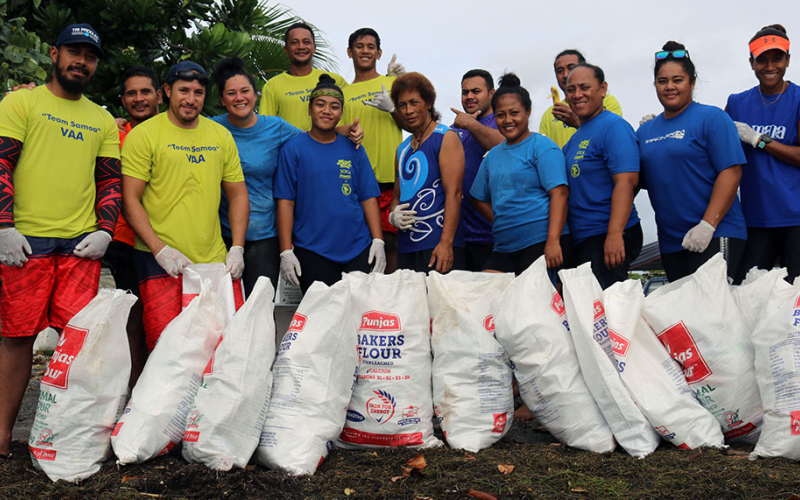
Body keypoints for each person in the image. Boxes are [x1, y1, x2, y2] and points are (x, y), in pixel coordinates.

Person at [0, 23, 121, 460]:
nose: (81, 61)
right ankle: (1, 438)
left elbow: (109, 179)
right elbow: (0, 163)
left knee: (78, 342)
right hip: (24, 243)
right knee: (17, 338)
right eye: (73, 52)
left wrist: (105, 229)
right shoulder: (21, 101)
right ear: (54, 54)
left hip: (78, 248)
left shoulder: (102, 118)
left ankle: (64, 437)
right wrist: (2, 227)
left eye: (89, 56)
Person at [121, 61, 248, 351]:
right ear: (166, 91)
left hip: (213, 263)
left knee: (220, 347)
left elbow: (238, 194)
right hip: (159, 262)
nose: (191, 99)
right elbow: (130, 200)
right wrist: (159, 249)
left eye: (198, 93)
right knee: (165, 349)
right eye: (184, 91)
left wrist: (237, 248)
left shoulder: (220, 135)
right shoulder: (144, 135)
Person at [638, 42, 747, 282]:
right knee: (684, 315)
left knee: (712, 314)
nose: (670, 87)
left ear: (692, 82)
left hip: (716, 232)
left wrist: (707, 225)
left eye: (677, 80)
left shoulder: (713, 117)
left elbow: (732, 171)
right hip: (671, 241)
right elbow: (646, 180)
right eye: (662, 81)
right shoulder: (645, 132)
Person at [275, 74, 385, 293]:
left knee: (358, 317)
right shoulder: (293, 149)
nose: (327, 111)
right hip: (313, 251)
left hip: (358, 248)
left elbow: (367, 198)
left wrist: (378, 241)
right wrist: (286, 251)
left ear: (341, 113)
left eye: (334, 106)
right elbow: (285, 202)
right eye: (320, 104)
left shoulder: (354, 148)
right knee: (322, 318)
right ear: (309, 109)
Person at [470, 73, 570, 275]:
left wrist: (553, 241)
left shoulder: (541, 147)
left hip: (542, 242)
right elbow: (477, 197)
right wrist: (500, 218)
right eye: (501, 115)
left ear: (528, 112)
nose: (508, 120)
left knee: (536, 304)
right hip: (504, 247)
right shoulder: (492, 156)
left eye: (514, 113)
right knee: (484, 293)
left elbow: (560, 194)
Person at [727, 24, 800, 283]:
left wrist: (758, 140)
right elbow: (715, 147)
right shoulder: (736, 102)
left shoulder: (798, 98)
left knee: (795, 298)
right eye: (762, 60)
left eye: (777, 58)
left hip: (795, 218)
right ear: (751, 62)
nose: (770, 67)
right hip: (755, 219)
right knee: (747, 293)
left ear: (788, 60)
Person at [563, 63, 642, 288]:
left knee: (609, 315)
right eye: (571, 89)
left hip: (608, 235)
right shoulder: (575, 138)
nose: (577, 94)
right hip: (583, 239)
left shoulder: (614, 127)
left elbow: (627, 182)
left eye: (585, 87)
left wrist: (615, 234)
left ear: (603, 88)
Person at [108, 66, 162, 386]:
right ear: (123, 99)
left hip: (172, 238)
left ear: (159, 94)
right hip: (124, 239)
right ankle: (135, 390)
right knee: (135, 317)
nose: (139, 99)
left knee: (166, 318)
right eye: (131, 93)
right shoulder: (112, 131)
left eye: (145, 92)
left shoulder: (176, 129)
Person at [341, 27, 405, 273]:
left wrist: (393, 109)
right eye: (359, 46)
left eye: (370, 47)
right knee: (359, 245)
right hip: (354, 181)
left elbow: (415, 122)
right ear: (350, 52)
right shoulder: (343, 93)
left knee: (392, 244)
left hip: (391, 180)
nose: (365, 51)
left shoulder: (394, 83)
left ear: (379, 53)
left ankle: (391, 307)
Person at [389, 72, 465, 273]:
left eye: (414, 102)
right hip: (407, 246)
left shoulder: (445, 138)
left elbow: (455, 194)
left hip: (438, 244)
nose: (408, 110)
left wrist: (446, 244)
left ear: (428, 103)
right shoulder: (402, 149)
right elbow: (397, 196)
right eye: (402, 105)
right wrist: (393, 215)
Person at [451, 69, 504, 271]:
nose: (469, 96)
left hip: (493, 234)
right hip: (460, 236)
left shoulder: (502, 122)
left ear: (491, 94)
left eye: (476, 91)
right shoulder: (454, 128)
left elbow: (505, 146)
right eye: (465, 92)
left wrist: (471, 124)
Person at [259, 22, 347, 130]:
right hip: (291, 147)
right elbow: (266, 128)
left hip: (332, 146)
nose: (301, 47)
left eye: (306, 42)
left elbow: (352, 116)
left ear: (314, 48)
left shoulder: (335, 81)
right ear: (286, 49)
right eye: (295, 43)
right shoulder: (272, 86)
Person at [539, 49, 624, 148]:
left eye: (571, 68)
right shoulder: (549, 114)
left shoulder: (606, 101)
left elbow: (613, 136)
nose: (566, 75)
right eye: (560, 71)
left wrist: (576, 122)